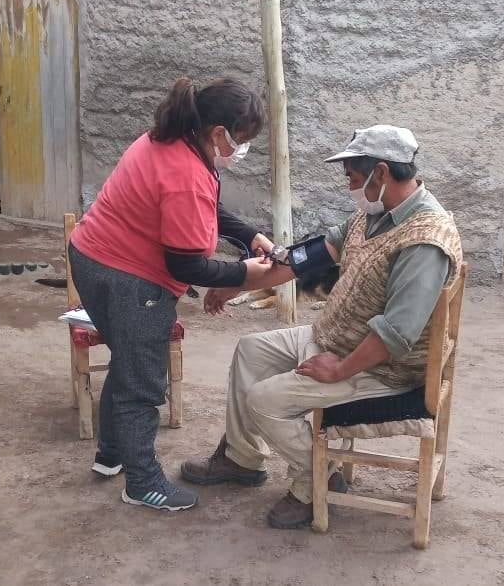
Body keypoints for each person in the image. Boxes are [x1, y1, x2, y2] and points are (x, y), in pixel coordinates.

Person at [181, 125, 463, 529]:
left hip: (380, 367)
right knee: (250, 350)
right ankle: (241, 459)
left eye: (351, 175)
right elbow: (302, 261)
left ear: (380, 173)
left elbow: (397, 333)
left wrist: (340, 370)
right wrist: (232, 286)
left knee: (264, 401)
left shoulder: (424, 241)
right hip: (334, 337)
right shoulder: (375, 216)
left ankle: (314, 480)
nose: (347, 184)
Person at [69, 77, 281, 512]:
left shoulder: (172, 141)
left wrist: (249, 234)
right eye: (241, 141)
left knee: (128, 361)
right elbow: (186, 266)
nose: (242, 151)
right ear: (219, 133)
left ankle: (112, 455)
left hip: (94, 256)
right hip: (129, 277)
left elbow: (208, 208)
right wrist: (244, 272)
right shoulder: (186, 173)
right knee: (143, 382)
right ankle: (143, 482)